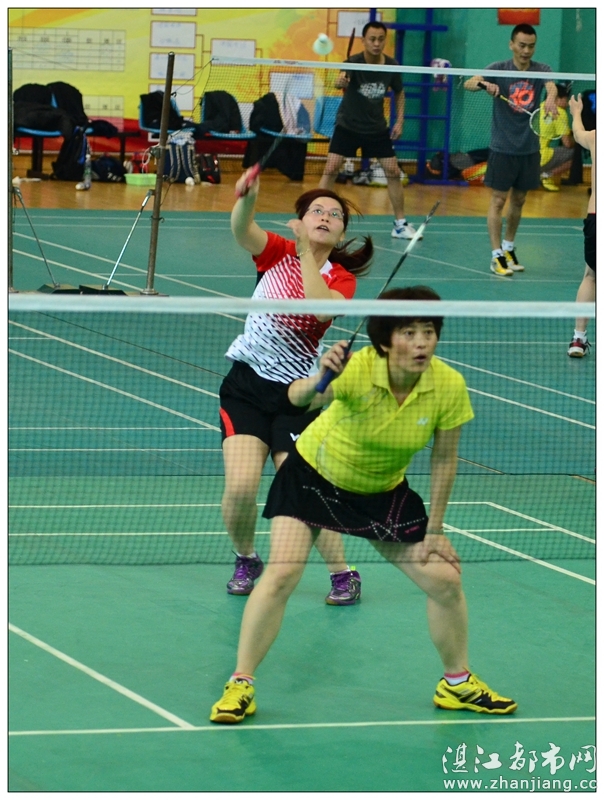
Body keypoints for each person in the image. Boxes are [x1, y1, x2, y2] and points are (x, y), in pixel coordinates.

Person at [210, 286, 517, 724]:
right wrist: (321, 376)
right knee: (282, 574)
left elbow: (445, 458)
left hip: (381, 492)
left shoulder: (448, 386)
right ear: (385, 341)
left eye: (428, 332)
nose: (421, 343)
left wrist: (436, 529)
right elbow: (298, 399)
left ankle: (456, 682)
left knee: (445, 580)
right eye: (408, 333)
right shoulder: (358, 369)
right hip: (313, 478)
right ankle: (240, 683)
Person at [219, 169, 373, 604]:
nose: (325, 217)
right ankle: (246, 557)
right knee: (241, 488)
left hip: (299, 396)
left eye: (335, 215)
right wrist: (247, 198)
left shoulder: (340, 279)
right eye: (316, 211)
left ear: (340, 232)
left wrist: (306, 251)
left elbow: (318, 308)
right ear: (301, 220)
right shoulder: (276, 253)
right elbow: (242, 229)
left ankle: (343, 573)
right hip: (247, 387)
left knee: (303, 490)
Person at [464, 23, 557, 276]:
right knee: (498, 200)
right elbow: (469, 83)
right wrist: (485, 85)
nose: (526, 51)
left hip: (529, 148)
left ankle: (508, 248)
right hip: (503, 148)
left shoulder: (541, 69)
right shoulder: (499, 68)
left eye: (531, 46)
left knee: (519, 200)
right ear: (512, 44)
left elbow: (551, 85)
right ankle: (496, 256)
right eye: (522, 45)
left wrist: (550, 97)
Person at [318, 21, 417, 241]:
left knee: (393, 172)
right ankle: (314, 217)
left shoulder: (391, 65)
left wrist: (400, 121)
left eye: (381, 39)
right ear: (363, 41)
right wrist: (340, 81)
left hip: (376, 128)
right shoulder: (353, 63)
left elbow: (399, 93)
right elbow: (339, 81)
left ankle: (400, 225)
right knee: (331, 168)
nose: (376, 43)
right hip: (348, 125)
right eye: (372, 39)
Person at [567, 94, 596, 357]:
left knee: (591, 276)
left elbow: (577, 134)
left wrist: (576, 112)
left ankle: (578, 339)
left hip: (596, 217)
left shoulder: (596, 137)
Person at [540, 83, 575, 192]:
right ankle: (546, 175)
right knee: (575, 153)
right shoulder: (559, 112)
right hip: (541, 158)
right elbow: (567, 143)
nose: (567, 104)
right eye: (566, 99)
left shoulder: (539, 107)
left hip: (527, 158)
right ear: (557, 98)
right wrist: (577, 140)